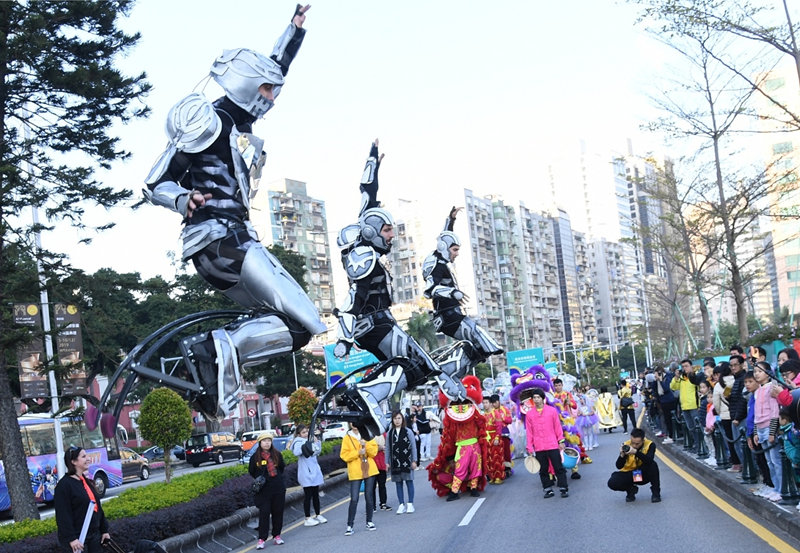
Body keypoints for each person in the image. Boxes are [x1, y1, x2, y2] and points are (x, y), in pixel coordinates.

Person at [142, 5, 326, 421]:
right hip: (222, 241)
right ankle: (212, 347)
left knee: (294, 328)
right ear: (246, 87)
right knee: (310, 320)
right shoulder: (206, 121)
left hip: (227, 244)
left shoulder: (239, 119)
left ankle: (214, 361)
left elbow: (275, 68)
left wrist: (294, 30)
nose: (271, 99)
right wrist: (181, 199)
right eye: (266, 91)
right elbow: (154, 182)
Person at [333, 141, 466, 439]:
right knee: (412, 364)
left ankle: (368, 397)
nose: (392, 235)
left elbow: (367, 194)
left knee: (420, 367)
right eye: (387, 230)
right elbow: (354, 299)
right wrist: (344, 338)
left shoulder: (367, 234)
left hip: (380, 322)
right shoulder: (363, 258)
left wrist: (372, 161)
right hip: (374, 325)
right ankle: (368, 392)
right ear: (371, 232)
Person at [422, 206, 503, 370]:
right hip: (446, 316)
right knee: (477, 334)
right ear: (444, 248)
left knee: (478, 344)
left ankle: (466, 363)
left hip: (454, 313)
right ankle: (451, 368)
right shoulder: (435, 265)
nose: (457, 254)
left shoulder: (442, 259)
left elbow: (445, 236)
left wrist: (451, 220)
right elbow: (429, 290)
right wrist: (452, 292)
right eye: (455, 250)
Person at [55, 447, 110, 553]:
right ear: (73, 461)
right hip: (78, 540)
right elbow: (63, 515)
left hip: (94, 536)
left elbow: (97, 508)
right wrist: (71, 538)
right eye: (84, 456)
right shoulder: (64, 486)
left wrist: (104, 530)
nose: (88, 459)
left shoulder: (86, 481)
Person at [525, 388, 569, 499]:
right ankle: (548, 489)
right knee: (543, 469)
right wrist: (529, 446)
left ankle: (563, 488)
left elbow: (557, 427)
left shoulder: (552, 411)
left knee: (558, 467)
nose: (536, 400)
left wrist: (561, 440)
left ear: (543, 399)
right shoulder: (529, 414)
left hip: (552, 444)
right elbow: (529, 432)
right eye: (534, 398)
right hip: (539, 446)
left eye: (538, 397)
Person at [249, 434, 286, 548]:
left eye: (269, 440)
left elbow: (281, 468)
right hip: (263, 491)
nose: (267, 443)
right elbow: (252, 471)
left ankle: (277, 535)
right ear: (260, 443)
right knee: (264, 514)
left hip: (277, 488)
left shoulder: (277, 455)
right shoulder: (255, 457)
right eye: (264, 441)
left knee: (278, 512)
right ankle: (262, 539)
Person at [753, 361, 783, 502]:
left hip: (769, 427)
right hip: (760, 428)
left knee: (776, 461)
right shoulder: (757, 391)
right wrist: (755, 432)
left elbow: (775, 411)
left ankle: (781, 489)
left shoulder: (772, 388)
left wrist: (772, 432)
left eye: (759, 371)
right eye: (755, 372)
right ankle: (775, 488)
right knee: (769, 461)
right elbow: (755, 413)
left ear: (768, 373)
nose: (756, 374)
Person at [340, 424, 378, 535]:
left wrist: (365, 445)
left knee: (369, 496)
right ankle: (350, 525)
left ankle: (369, 521)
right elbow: (344, 455)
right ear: (349, 424)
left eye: (356, 422)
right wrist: (357, 453)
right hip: (355, 471)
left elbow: (374, 452)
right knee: (354, 498)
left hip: (369, 469)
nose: (354, 425)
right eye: (352, 422)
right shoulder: (347, 438)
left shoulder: (367, 435)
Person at [607, 428, 661, 503]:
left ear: (643, 440)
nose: (634, 445)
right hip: (631, 474)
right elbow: (619, 466)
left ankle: (656, 493)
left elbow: (649, 461)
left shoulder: (650, 445)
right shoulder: (626, 444)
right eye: (632, 443)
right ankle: (630, 489)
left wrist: (636, 452)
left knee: (653, 465)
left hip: (642, 474)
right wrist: (622, 455)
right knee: (612, 482)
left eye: (637, 444)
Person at [290, 425, 327, 527]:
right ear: (299, 434)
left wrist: (316, 441)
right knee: (308, 496)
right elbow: (297, 452)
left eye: (307, 432)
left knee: (316, 495)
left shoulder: (310, 440)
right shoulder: (298, 442)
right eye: (303, 432)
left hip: (314, 471)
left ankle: (318, 514)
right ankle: (307, 518)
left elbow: (317, 452)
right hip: (306, 473)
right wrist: (307, 444)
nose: (306, 434)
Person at [386, 410, 418, 514]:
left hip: (407, 461)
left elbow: (413, 447)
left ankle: (410, 504)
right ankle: (401, 504)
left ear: (402, 419)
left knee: (409, 482)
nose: (397, 420)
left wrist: (414, 460)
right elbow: (387, 449)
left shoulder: (408, 431)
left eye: (399, 418)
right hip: (395, 462)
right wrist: (387, 462)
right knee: (398, 483)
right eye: (395, 418)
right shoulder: (390, 433)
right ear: (392, 420)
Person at [712, 362, 741, 471]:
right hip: (738, 415)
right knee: (740, 440)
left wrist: (720, 413)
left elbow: (716, 403)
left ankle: (736, 463)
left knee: (731, 441)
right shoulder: (737, 381)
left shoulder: (718, 385)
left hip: (726, 416)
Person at [670, 359, 701, 451]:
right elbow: (673, 387)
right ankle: (696, 444)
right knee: (691, 427)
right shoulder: (682, 378)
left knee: (697, 427)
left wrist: (699, 405)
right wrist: (676, 377)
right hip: (684, 406)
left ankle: (701, 446)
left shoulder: (695, 376)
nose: (685, 368)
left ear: (691, 366)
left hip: (694, 406)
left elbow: (700, 390)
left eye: (686, 366)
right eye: (683, 367)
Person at [371, 432, 392, 512]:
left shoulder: (384, 435)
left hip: (382, 463)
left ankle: (383, 503)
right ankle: (372, 506)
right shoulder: (367, 435)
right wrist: (378, 448)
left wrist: (387, 462)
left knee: (382, 485)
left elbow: (388, 448)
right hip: (371, 464)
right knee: (371, 486)